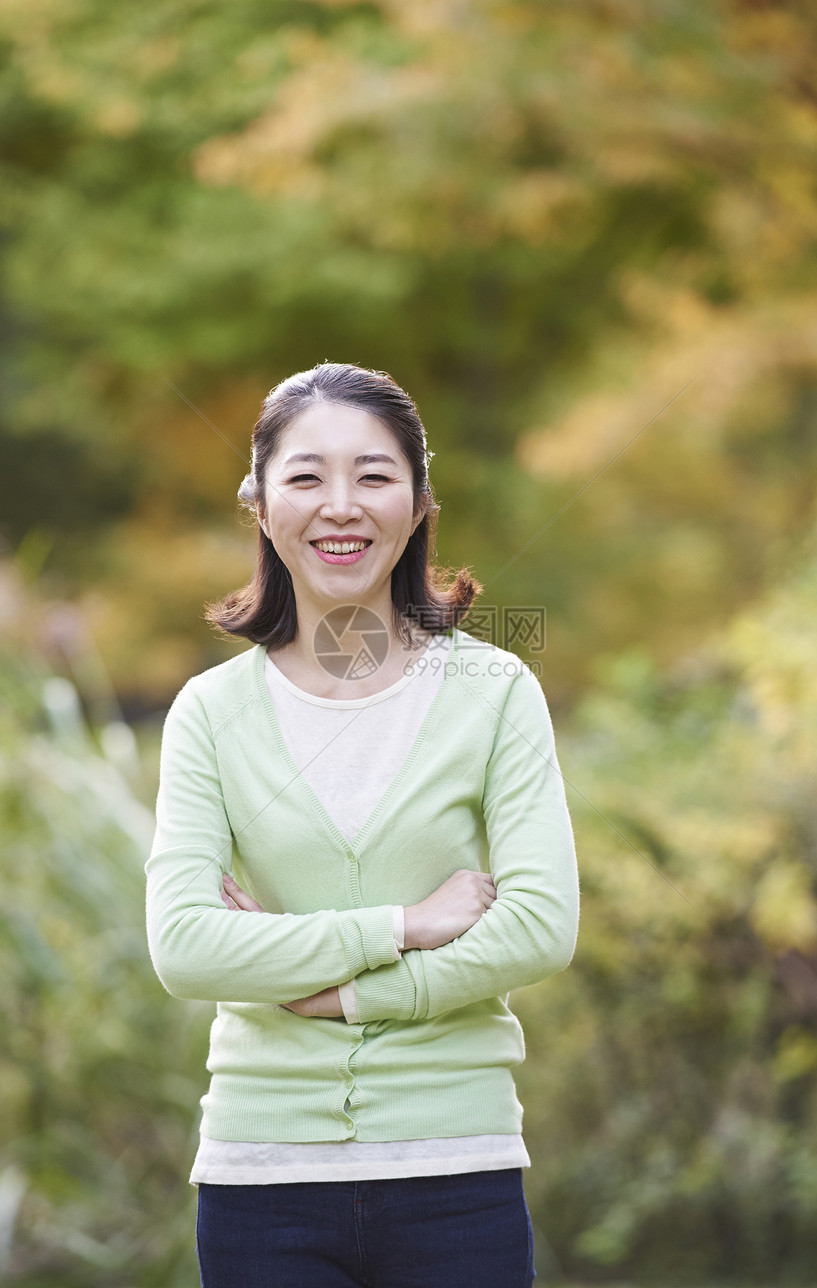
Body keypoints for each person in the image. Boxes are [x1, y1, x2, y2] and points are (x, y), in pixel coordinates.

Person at [145, 361, 580, 1288]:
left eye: (375, 476)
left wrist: (339, 994)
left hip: (458, 1174)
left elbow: (541, 926)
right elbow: (184, 946)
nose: (341, 505)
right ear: (259, 503)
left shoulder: (495, 691)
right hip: (263, 1184)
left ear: (422, 503)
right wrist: (403, 927)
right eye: (306, 477)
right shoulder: (210, 713)